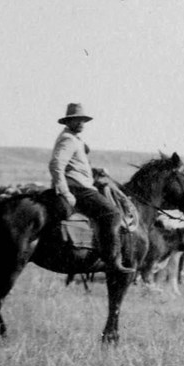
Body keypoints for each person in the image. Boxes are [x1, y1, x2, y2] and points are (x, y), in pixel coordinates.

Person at [49, 103, 133, 273]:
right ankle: (112, 260)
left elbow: (75, 166)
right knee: (113, 214)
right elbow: (56, 165)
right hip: (77, 188)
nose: (81, 123)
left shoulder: (75, 139)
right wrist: (65, 192)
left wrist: (95, 171)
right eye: (76, 120)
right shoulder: (68, 139)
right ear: (68, 122)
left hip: (79, 184)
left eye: (83, 120)